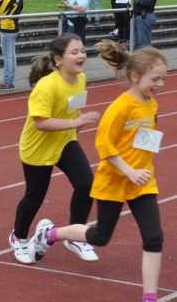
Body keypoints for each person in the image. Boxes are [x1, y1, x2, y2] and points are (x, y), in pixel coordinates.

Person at [28, 43, 167, 302]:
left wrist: (143, 165)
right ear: (135, 77)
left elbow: (145, 140)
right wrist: (128, 170)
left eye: (163, 79)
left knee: (154, 237)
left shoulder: (152, 105)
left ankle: (150, 296)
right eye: (154, 79)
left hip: (141, 182)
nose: (160, 84)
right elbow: (104, 145)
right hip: (114, 181)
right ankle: (50, 234)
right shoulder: (121, 106)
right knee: (100, 236)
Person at [9, 34, 100, 265]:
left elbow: (75, 109)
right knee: (35, 196)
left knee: (86, 183)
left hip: (65, 141)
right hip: (37, 147)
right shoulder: (46, 86)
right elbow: (41, 122)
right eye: (75, 52)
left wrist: (76, 130)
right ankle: (18, 236)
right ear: (58, 60)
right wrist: (76, 123)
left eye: (82, 50)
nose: (81, 55)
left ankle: (75, 235)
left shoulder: (80, 79)